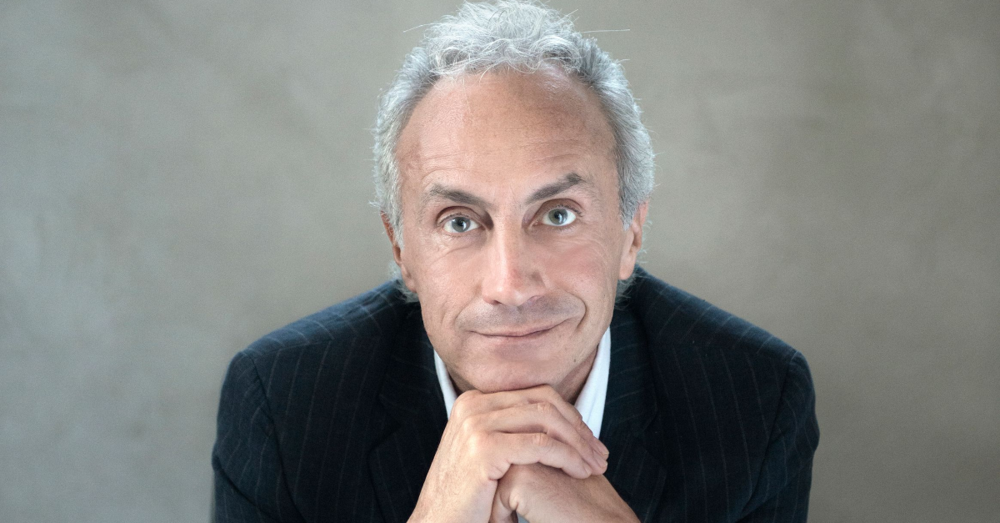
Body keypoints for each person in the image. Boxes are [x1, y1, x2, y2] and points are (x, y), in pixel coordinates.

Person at [212, 1, 820, 522]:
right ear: (402, 250)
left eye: (557, 214)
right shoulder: (283, 404)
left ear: (630, 231)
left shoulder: (755, 397)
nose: (510, 285)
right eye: (459, 221)